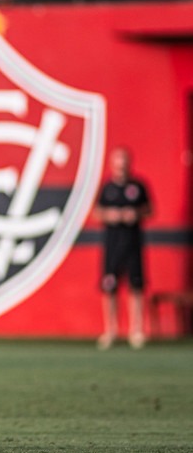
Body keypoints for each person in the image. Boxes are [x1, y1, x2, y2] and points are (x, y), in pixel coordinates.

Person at [93, 147, 152, 350]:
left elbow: (149, 210)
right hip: (112, 244)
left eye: (124, 161)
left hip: (133, 243)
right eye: (118, 161)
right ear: (112, 164)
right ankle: (111, 330)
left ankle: (136, 330)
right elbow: (97, 211)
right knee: (110, 287)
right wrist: (111, 215)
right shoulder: (107, 188)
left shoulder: (138, 186)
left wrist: (134, 214)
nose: (121, 166)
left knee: (136, 287)